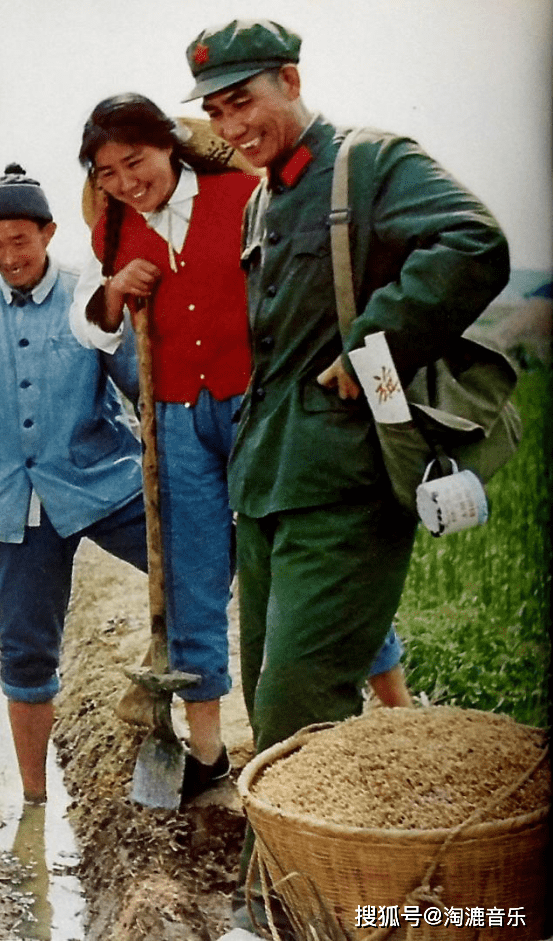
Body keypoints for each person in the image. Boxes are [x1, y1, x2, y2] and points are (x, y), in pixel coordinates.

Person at [185, 15, 509, 902]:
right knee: (266, 695)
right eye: (216, 109)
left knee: (297, 702)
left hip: (347, 482)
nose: (232, 123)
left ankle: (284, 905)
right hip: (268, 481)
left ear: (291, 78)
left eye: (243, 100)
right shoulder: (260, 197)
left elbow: (474, 241)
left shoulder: (370, 163)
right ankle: (325, 882)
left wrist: (375, 345)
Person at [70, 94, 412, 804]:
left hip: (258, 404)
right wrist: (113, 292)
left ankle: (401, 713)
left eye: (136, 162)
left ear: (169, 146)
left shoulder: (245, 194)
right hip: (174, 419)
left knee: (299, 561)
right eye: (108, 172)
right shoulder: (111, 228)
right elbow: (95, 326)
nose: (128, 181)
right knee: (192, 571)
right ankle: (207, 751)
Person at [0, 163, 148, 804]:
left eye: (20, 242)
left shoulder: (88, 296)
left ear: (49, 233)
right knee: (24, 652)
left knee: (194, 561)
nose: (8, 257)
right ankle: (33, 801)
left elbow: (141, 385)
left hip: (102, 483)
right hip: (12, 504)